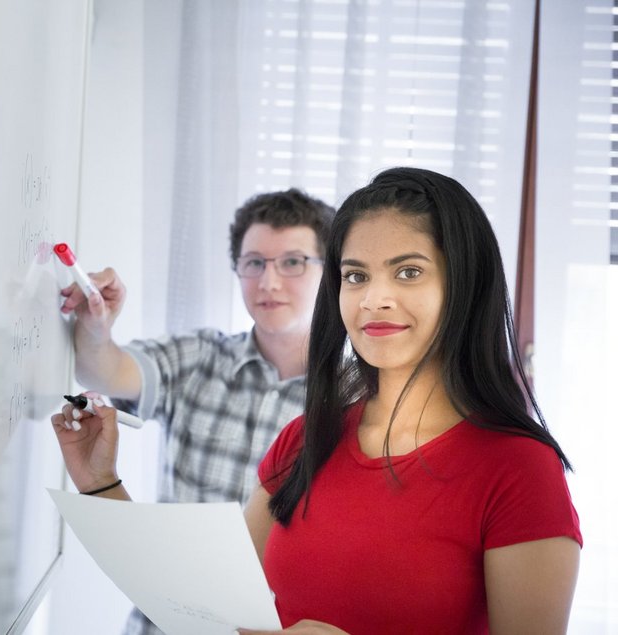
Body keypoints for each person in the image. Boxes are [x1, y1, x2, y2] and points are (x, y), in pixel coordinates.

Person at [51, 166, 582, 634]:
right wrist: (101, 484)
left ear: (465, 285)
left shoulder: (518, 470)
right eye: (356, 275)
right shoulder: (306, 438)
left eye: (409, 271)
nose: (374, 298)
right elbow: (205, 606)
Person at [58, 188, 334, 634]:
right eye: (254, 263)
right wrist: (95, 325)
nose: (269, 282)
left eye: (293, 262)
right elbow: (104, 370)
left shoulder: (358, 401)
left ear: (333, 273)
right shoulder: (199, 356)